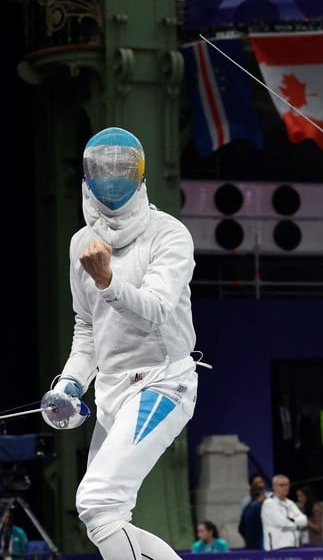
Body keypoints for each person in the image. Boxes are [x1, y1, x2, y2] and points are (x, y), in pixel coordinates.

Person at [40, 126, 200, 560]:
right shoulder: (81, 244)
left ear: (140, 175)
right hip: (111, 391)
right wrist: (70, 383)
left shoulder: (169, 234)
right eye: (102, 167)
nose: (112, 175)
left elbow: (157, 308)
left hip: (162, 382)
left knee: (99, 502)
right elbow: (87, 327)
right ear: (87, 178)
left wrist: (107, 281)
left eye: (122, 166)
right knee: (100, 515)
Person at [261, 475, 308, 550]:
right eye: (282, 485)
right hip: (277, 548)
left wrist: (292, 521)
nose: (286, 487)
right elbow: (282, 523)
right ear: (274, 487)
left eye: (287, 485)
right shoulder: (269, 503)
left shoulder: (290, 503)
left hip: (294, 546)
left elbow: (304, 520)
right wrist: (296, 523)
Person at [238, 482, 266, 550]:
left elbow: (241, 528)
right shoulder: (261, 508)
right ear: (262, 494)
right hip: (260, 545)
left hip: (250, 544)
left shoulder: (246, 508)